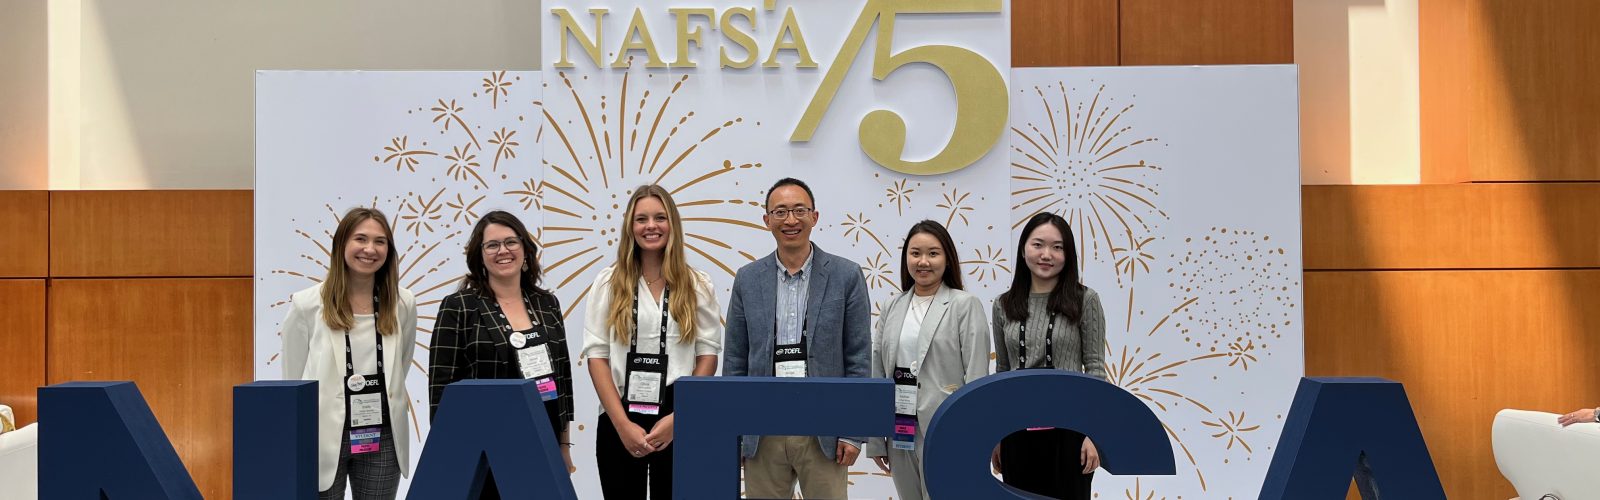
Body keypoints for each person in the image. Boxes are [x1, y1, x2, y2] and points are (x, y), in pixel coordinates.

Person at [723, 177, 872, 499]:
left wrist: (853, 432)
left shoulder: (846, 275)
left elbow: (858, 358)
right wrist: (734, 433)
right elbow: (735, 359)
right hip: (762, 430)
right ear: (766, 221)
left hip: (826, 430)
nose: (790, 220)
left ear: (814, 217)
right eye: (780, 212)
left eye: (799, 210)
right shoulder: (748, 279)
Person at [581, 185, 723, 499]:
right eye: (641, 218)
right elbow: (597, 356)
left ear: (672, 224)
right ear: (630, 227)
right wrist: (621, 424)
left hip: (679, 411)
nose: (651, 226)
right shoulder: (607, 282)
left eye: (660, 217)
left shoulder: (697, 283)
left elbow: (708, 354)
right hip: (619, 411)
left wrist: (681, 417)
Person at [428, 210, 574, 496]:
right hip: (481, 446)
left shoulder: (547, 304)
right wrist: (451, 455)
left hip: (541, 439)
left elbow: (563, 380)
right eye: (492, 245)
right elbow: (440, 389)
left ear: (525, 249)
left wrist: (563, 445)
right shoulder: (459, 306)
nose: (503, 251)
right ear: (479, 255)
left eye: (511, 242)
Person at [281, 207, 418, 500]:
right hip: (322, 432)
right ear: (341, 244)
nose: (370, 249)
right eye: (361, 239)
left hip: (382, 432)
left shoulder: (403, 303)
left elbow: (401, 367)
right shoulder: (306, 304)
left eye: (380, 241)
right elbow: (292, 380)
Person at [865, 220, 991, 500]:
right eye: (915, 253)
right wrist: (875, 441)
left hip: (948, 427)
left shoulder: (964, 305)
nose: (923, 261)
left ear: (947, 259)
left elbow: (977, 375)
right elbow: (878, 373)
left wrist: (973, 436)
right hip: (901, 428)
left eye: (933, 253)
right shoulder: (892, 306)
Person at [989, 212, 1107, 500]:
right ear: (1023, 249)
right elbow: (1003, 371)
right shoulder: (1003, 304)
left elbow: (1095, 369)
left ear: (1068, 254)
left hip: (1071, 431)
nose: (1047, 254)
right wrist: (996, 435)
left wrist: (1094, 433)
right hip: (1017, 430)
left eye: (1057, 247)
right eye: (1038, 244)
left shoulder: (1085, 299)